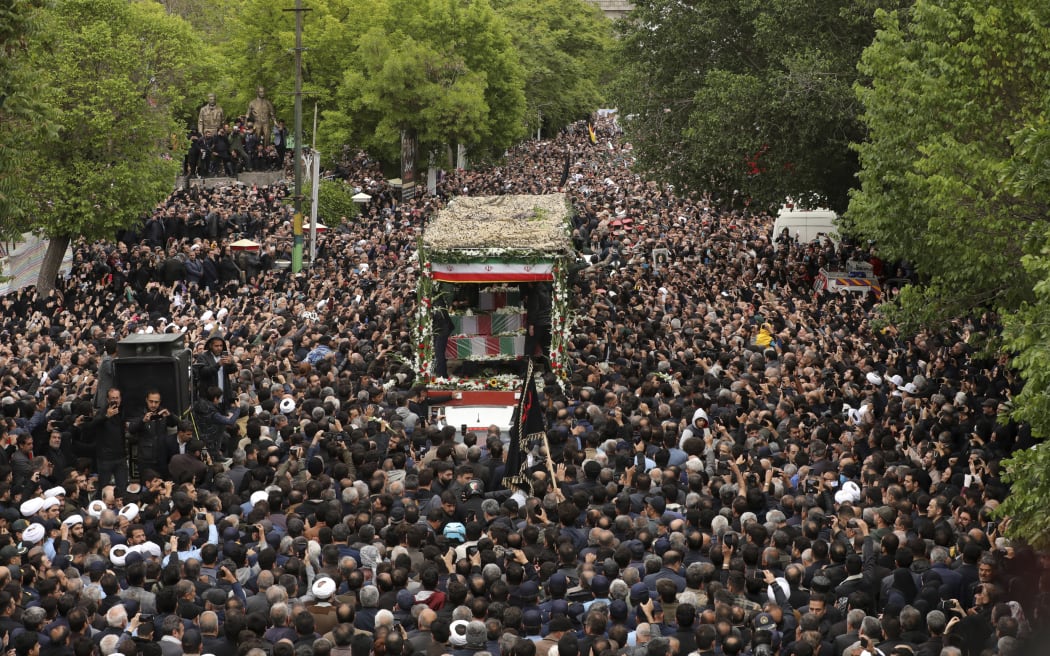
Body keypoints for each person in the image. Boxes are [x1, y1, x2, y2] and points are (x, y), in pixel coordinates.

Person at [86, 387, 130, 492]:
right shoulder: (101, 412)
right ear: (108, 400)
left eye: (117, 398)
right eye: (112, 398)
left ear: (120, 399)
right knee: (104, 489)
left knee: (122, 487)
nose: (115, 400)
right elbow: (91, 426)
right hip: (105, 459)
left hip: (120, 457)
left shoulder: (123, 411)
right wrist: (106, 416)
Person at [128, 389, 177, 479]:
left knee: (162, 485)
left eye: (156, 402)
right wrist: (142, 421)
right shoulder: (139, 412)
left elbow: (176, 424)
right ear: (146, 400)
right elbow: (131, 429)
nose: (153, 405)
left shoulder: (163, 412)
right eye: (151, 401)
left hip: (162, 458)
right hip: (146, 458)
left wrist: (170, 416)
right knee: (146, 486)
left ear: (160, 402)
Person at [196, 335, 238, 412]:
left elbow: (234, 369)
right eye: (216, 346)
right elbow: (204, 372)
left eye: (221, 346)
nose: (219, 348)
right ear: (210, 346)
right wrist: (218, 364)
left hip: (224, 394)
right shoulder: (203, 357)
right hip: (210, 396)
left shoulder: (225, 355)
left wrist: (231, 363)